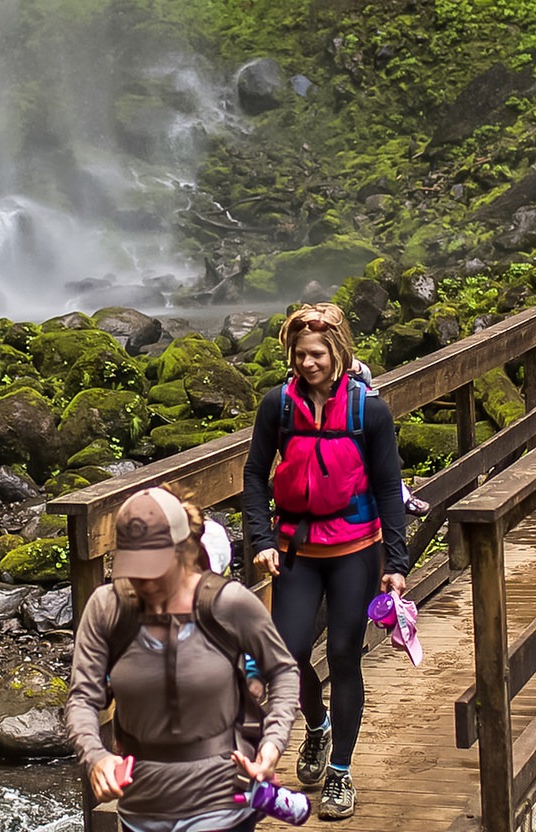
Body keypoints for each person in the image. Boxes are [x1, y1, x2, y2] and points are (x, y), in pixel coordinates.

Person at [241, 302, 410, 820]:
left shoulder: (369, 410)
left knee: (342, 653)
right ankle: (317, 726)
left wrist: (397, 561)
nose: (307, 363)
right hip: (295, 549)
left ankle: (340, 771)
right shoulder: (278, 405)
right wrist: (260, 536)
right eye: (299, 354)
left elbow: (388, 486)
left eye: (316, 354)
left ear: (337, 354)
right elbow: (253, 474)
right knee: (286, 656)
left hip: (356, 551)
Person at [65, 488, 302, 832]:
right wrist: (95, 757)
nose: (143, 580)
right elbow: (82, 697)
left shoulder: (228, 603)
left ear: (182, 552)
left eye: (154, 567)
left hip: (221, 800)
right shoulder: (107, 607)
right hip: (142, 807)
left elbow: (282, 670)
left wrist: (271, 744)